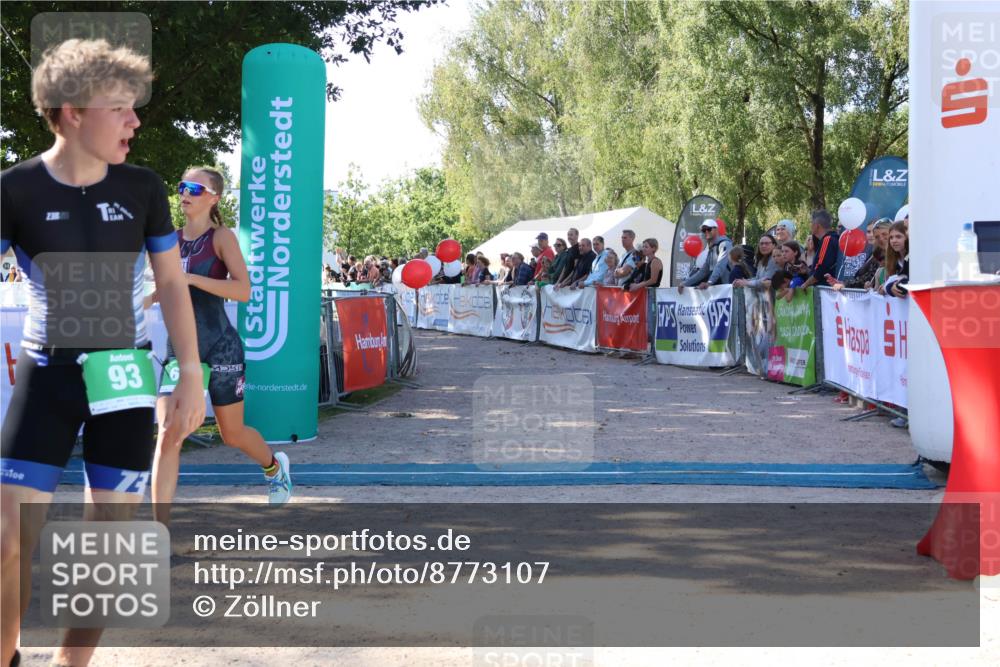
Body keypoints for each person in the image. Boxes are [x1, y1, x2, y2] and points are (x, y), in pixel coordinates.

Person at [1, 39, 206, 667]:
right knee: (9, 541)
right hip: (46, 373)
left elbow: (171, 282)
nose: (135, 121)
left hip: (123, 374)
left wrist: (191, 374)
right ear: (70, 112)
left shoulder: (143, 187)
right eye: (120, 107)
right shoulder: (14, 189)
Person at [148, 166, 292, 522]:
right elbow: (168, 286)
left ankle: (275, 468)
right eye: (182, 186)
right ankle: (158, 529)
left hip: (221, 347)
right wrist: (150, 295)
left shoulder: (222, 237)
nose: (185, 193)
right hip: (179, 351)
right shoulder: (168, 238)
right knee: (167, 432)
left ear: (214, 197)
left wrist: (193, 279)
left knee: (232, 434)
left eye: (194, 188)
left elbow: (243, 290)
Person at [682, 220, 732, 288]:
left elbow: (720, 266)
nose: (706, 232)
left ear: (716, 229)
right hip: (718, 289)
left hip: (727, 288)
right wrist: (685, 283)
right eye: (704, 230)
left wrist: (709, 282)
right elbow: (703, 271)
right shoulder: (712, 248)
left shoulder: (725, 244)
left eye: (709, 229)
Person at [800, 209, 839, 290]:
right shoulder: (829, 239)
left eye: (811, 223)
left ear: (817, 226)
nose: (810, 226)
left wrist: (805, 284)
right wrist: (807, 270)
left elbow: (822, 269)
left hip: (826, 291)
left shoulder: (827, 239)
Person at [881, 222, 909, 298]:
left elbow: (904, 285)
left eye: (898, 237)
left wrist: (888, 287)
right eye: (891, 237)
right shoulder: (894, 260)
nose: (894, 240)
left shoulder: (912, 258)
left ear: (907, 237)